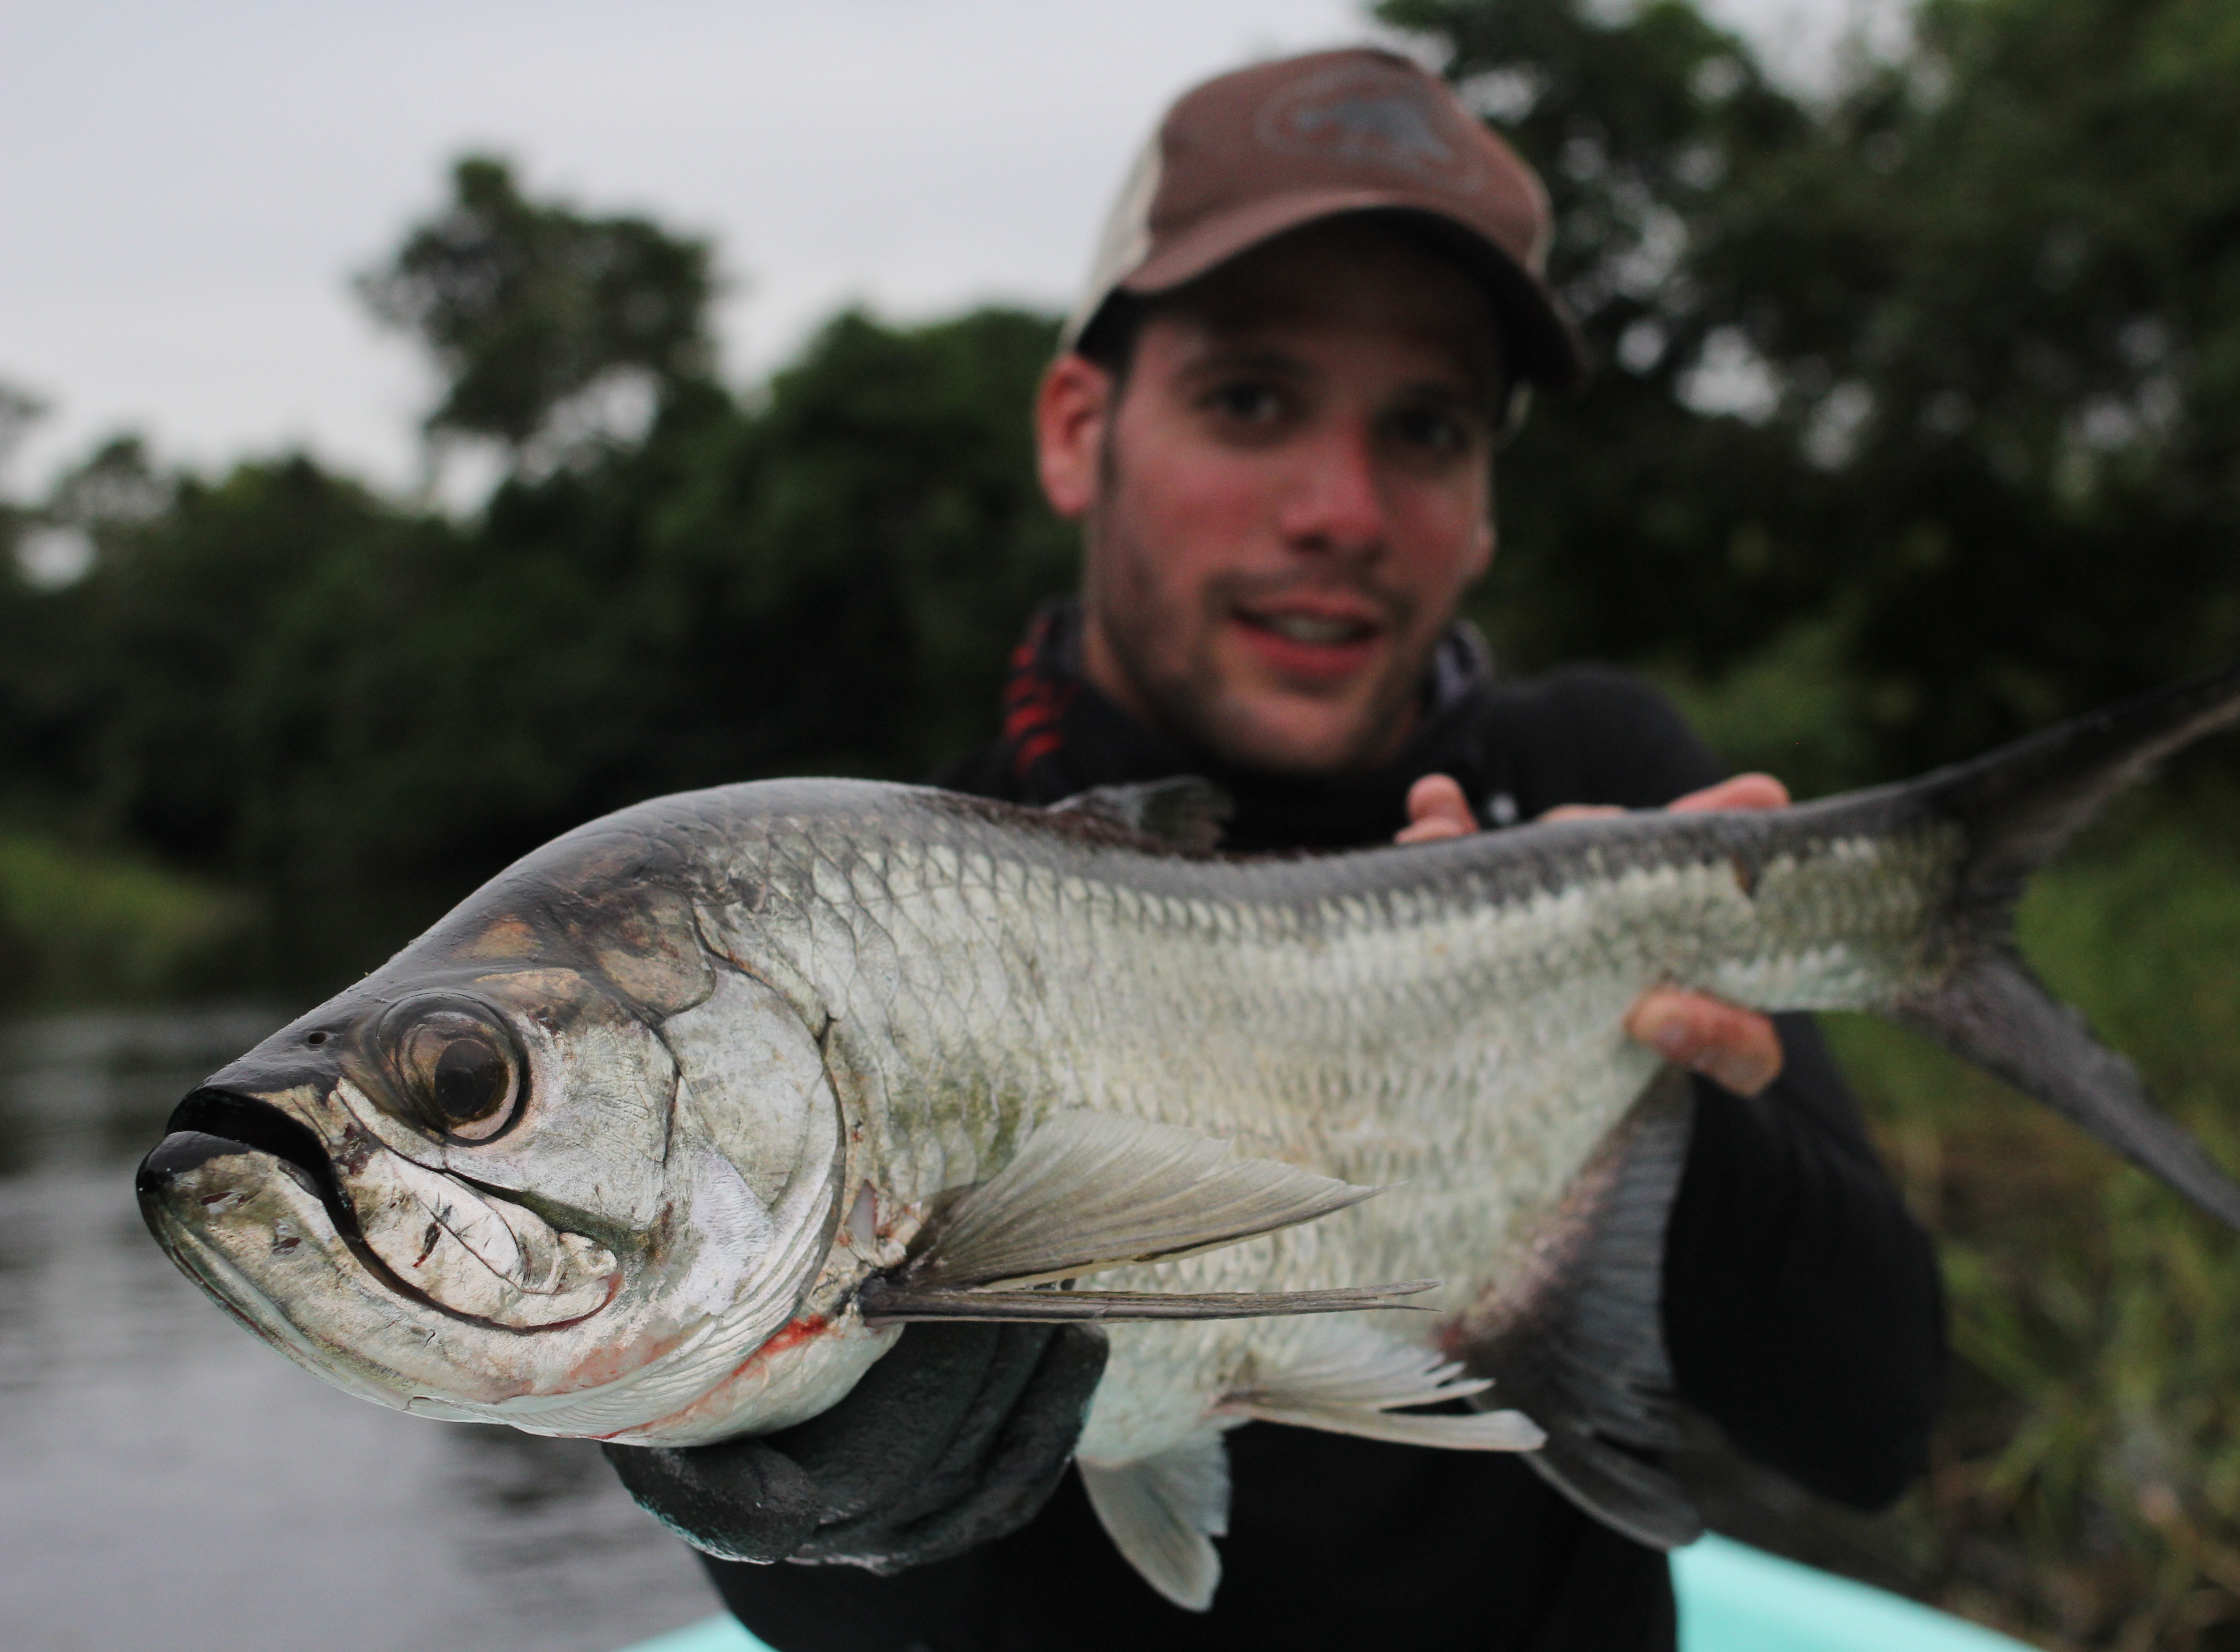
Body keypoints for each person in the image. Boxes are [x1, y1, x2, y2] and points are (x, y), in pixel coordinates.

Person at [609, 47, 1945, 1652]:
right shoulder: (880, 930)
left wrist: (1623, 1077)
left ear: (1488, 507)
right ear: (1075, 429)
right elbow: (827, 1618)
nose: (1342, 508)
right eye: (1251, 400)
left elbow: (1876, 1431)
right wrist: (795, 1473)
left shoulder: (1602, 788)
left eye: (1430, 429)